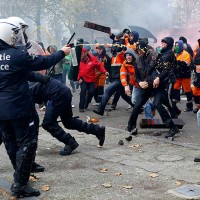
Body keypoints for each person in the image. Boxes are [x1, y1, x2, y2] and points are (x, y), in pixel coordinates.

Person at [0, 17, 70, 198]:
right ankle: (20, 185)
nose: (18, 38)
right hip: (19, 107)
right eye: (16, 34)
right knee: (27, 142)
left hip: (2, 110)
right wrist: (62, 52)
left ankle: (20, 174)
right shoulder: (17, 55)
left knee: (9, 141)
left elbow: (22, 72)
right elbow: (43, 62)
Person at [28, 72, 106, 156]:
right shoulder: (25, 83)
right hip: (64, 91)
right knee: (68, 121)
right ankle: (97, 130)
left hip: (55, 94)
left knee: (48, 123)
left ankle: (70, 142)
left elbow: (32, 117)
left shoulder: (24, 91)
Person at [127, 37, 179, 138]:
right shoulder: (139, 59)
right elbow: (143, 73)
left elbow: (164, 70)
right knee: (137, 105)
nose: (138, 52)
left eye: (140, 50)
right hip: (148, 85)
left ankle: (172, 126)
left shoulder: (158, 55)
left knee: (158, 104)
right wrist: (141, 82)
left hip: (158, 86)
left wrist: (157, 78)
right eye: (137, 50)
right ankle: (130, 126)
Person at [78, 48, 108, 112]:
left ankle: (87, 103)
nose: (81, 55)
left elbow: (99, 66)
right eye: (80, 54)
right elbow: (76, 70)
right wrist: (78, 79)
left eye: (82, 54)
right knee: (83, 91)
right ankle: (81, 107)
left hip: (91, 79)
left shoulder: (93, 59)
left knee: (91, 92)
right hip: (82, 78)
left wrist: (105, 71)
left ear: (86, 53)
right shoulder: (78, 60)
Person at [172, 40, 193, 113]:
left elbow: (186, 64)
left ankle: (189, 106)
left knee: (187, 90)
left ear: (181, 46)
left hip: (185, 75)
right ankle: (174, 105)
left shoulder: (185, 54)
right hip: (177, 75)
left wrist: (176, 63)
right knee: (175, 89)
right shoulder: (176, 54)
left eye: (178, 45)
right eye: (175, 45)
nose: (176, 47)